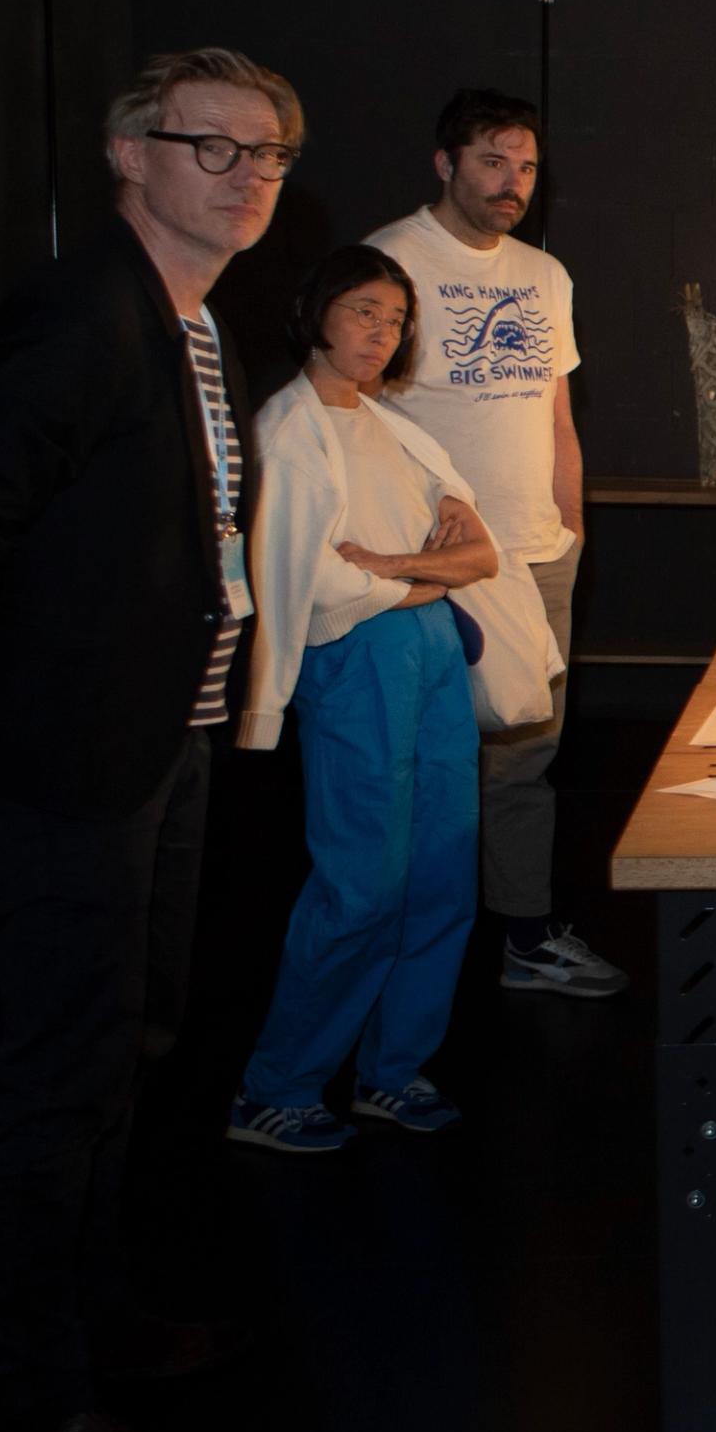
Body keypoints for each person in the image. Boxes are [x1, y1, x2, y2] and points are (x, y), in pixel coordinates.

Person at [0, 45, 299, 1432]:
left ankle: (99, 1319)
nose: (247, 176)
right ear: (130, 155)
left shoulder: (194, 320)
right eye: (213, 147)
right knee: (61, 1074)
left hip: (164, 737)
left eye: (268, 154)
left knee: (133, 1046)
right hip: (69, 754)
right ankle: (36, 1396)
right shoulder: (81, 312)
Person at [226, 246, 500, 1153]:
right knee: (362, 885)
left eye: (395, 319)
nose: (382, 333)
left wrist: (403, 569)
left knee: (442, 875)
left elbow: (480, 553)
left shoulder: (392, 426)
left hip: (428, 651)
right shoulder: (288, 430)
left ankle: (391, 1071)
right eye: (363, 312)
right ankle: (277, 1088)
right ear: (317, 314)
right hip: (356, 661)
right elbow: (314, 584)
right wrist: (422, 579)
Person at [368, 88, 627, 1000]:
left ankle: (524, 936)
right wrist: (406, 553)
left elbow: (557, 416)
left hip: (538, 553)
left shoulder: (544, 275)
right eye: (491, 161)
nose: (511, 182)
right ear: (445, 164)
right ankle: (404, 954)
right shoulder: (391, 262)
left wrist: (571, 531)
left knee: (525, 760)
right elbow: (356, 415)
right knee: (419, 764)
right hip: (438, 562)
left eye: (525, 166)